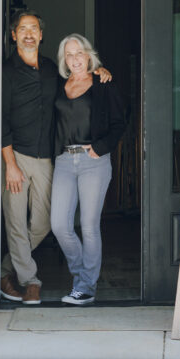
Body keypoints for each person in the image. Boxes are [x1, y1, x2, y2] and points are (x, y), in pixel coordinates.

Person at [0, 10, 110, 305]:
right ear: (14, 35)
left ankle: (4, 269)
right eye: (23, 29)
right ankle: (30, 280)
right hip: (16, 156)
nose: (28, 34)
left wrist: (98, 70)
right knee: (16, 224)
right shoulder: (5, 72)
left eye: (34, 28)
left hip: (49, 157)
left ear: (41, 35)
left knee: (46, 223)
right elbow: (0, 121)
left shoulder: (52, 70)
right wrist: (9, 164)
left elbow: (81, 82)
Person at [50, 33, 126, 306]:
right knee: (59, 225)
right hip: (64, 160)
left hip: (93, 161)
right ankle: (81, 277)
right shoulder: (59, 85)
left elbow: (120, 122)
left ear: (88, 55)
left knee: (89, 226)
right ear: (64, 60)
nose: (74, 59)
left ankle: (85, 288)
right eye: (69, 55)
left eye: (79, 53)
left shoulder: (103, 83)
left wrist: (100, 148)